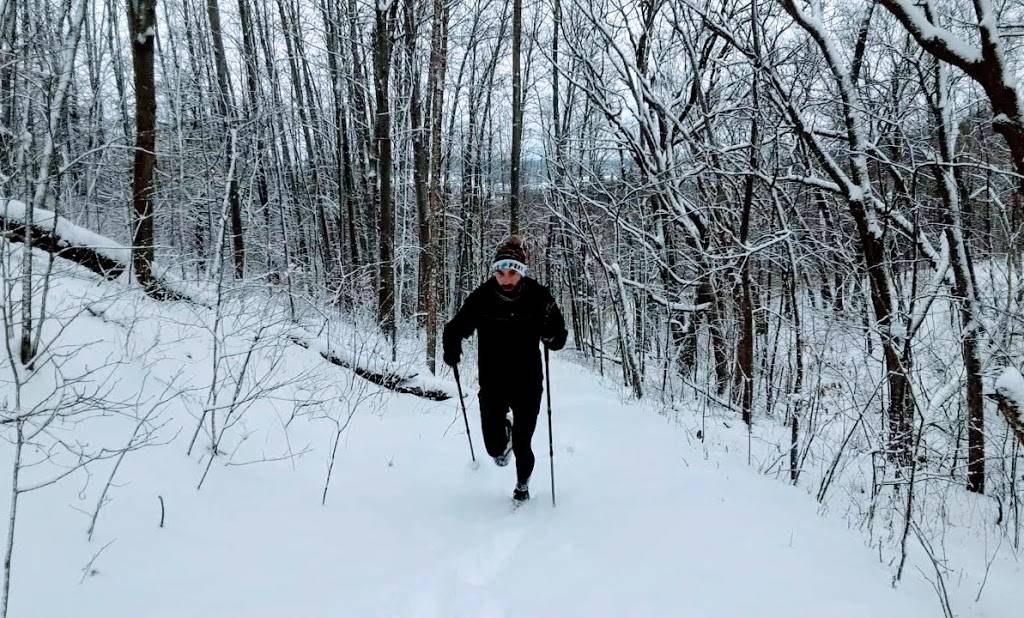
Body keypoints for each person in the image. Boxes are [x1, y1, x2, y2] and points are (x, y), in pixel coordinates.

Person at [442, 236, 568, 502]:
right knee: (494, 448)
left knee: (523, 443)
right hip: (492, 380)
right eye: (500, 272)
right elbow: (456, 327)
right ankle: (503, 438)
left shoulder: (539, 297)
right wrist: (451, 346)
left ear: (520, 272)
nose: (506, 279)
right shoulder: (482, 298)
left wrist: (552, 337)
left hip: (528, 381)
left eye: (512, 272)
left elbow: (558, 335)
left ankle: (522, 485)